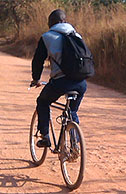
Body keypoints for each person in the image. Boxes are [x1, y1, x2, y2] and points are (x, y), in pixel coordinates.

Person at [30, 9, 87, 147]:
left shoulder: (47, 37)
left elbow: (38, 60)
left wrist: (36, 79)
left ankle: (45, 137)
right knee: (71, 111)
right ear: (65, 21)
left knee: (43, 102)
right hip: (81, 83)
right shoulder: (77, 35)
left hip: (60, 82)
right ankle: (75, 144)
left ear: (50, 24)